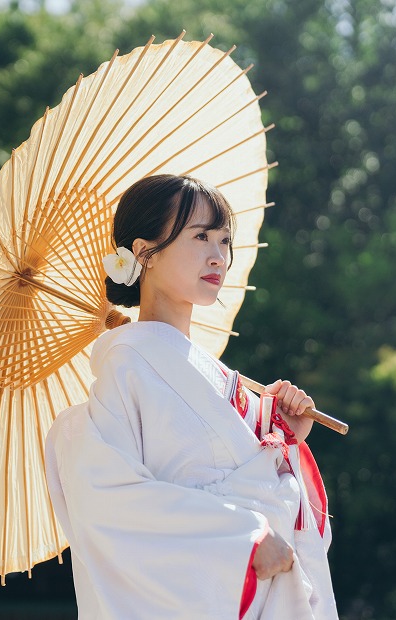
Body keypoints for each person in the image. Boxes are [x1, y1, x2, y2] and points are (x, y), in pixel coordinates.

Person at [44, 174, 337, 619]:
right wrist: (242, 541)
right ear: (144, 253)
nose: (217, 256)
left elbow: (245, 472)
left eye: (224, 240)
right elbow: (112, 501)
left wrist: (280, 433)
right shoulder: (127, 364)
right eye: (200, 236)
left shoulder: (213, 372)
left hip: (264, 589)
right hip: (215, 588)